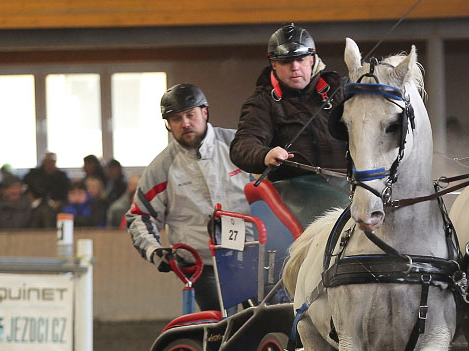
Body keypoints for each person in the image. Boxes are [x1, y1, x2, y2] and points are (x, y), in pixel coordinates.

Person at [126, 83, 250, 312]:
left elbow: (276, 192)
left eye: (190, 115)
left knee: (267, 320)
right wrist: (154, 251)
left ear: (205, 113)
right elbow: (140, 216)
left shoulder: (240, 147)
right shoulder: (161, 168)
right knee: (224, 324)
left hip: (253, 255)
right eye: (176, 119)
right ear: (168, 125)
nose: (185, 123)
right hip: (201, 265)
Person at [230, 23, 349, 225]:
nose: (295, 67)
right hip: (298, 195)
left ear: (312, 59)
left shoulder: (340, 90)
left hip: (352, 186)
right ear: (274, 64)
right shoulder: (262, 102)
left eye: (300, 59)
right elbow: (241, 146)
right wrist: (265, 154)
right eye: (286, 62)